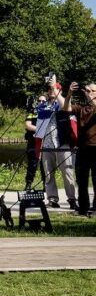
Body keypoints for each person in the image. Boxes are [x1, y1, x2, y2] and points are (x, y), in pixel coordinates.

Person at [36, 80, 77, 208]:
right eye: (49, 89)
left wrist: (57, 92)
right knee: (48, 173)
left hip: (62, 143)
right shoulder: (42, 106)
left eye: (54, 89)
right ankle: (52, 199)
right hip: (47, 144)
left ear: (60, 91)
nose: (51, 91)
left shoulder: (63, 103)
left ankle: (71, 199)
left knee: (68, 172)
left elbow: (65, 107)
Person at [64, 82, 96, 216]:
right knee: (81, 180)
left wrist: (90, 98)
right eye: (87, 91)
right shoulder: (81, 108)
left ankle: (95, 209)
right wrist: (69, 93)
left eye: (92, 91)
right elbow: (66, 108)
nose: (89, 93)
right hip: (83, 149)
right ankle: (83, 208)